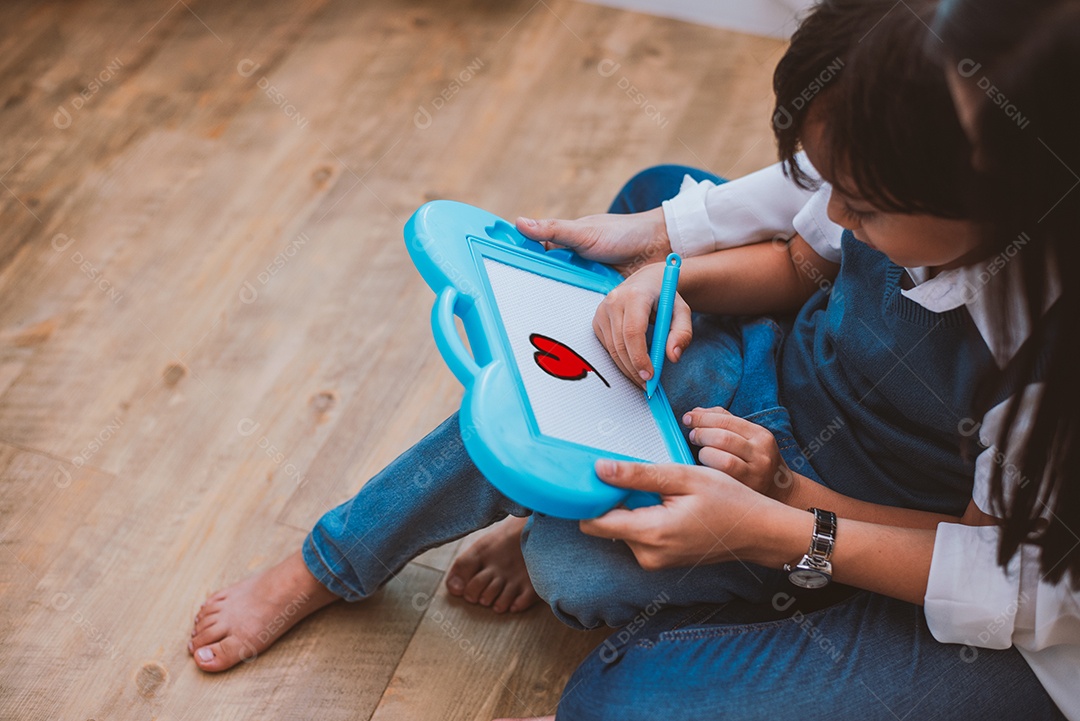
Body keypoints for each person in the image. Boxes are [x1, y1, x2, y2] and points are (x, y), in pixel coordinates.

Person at [189, 1, 1073, 718]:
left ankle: (689, 562)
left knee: (571, 570)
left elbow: (990, 562)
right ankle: (333, 560)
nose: (837, 214)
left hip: (850, 515)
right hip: (766, 407)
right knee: (576, 348)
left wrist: (779, 511)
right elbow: (807, 260)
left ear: (1006, 200)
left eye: (867, 205)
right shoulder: (908, 174)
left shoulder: (1041, 361)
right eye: (828, 183)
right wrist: (671, 271)